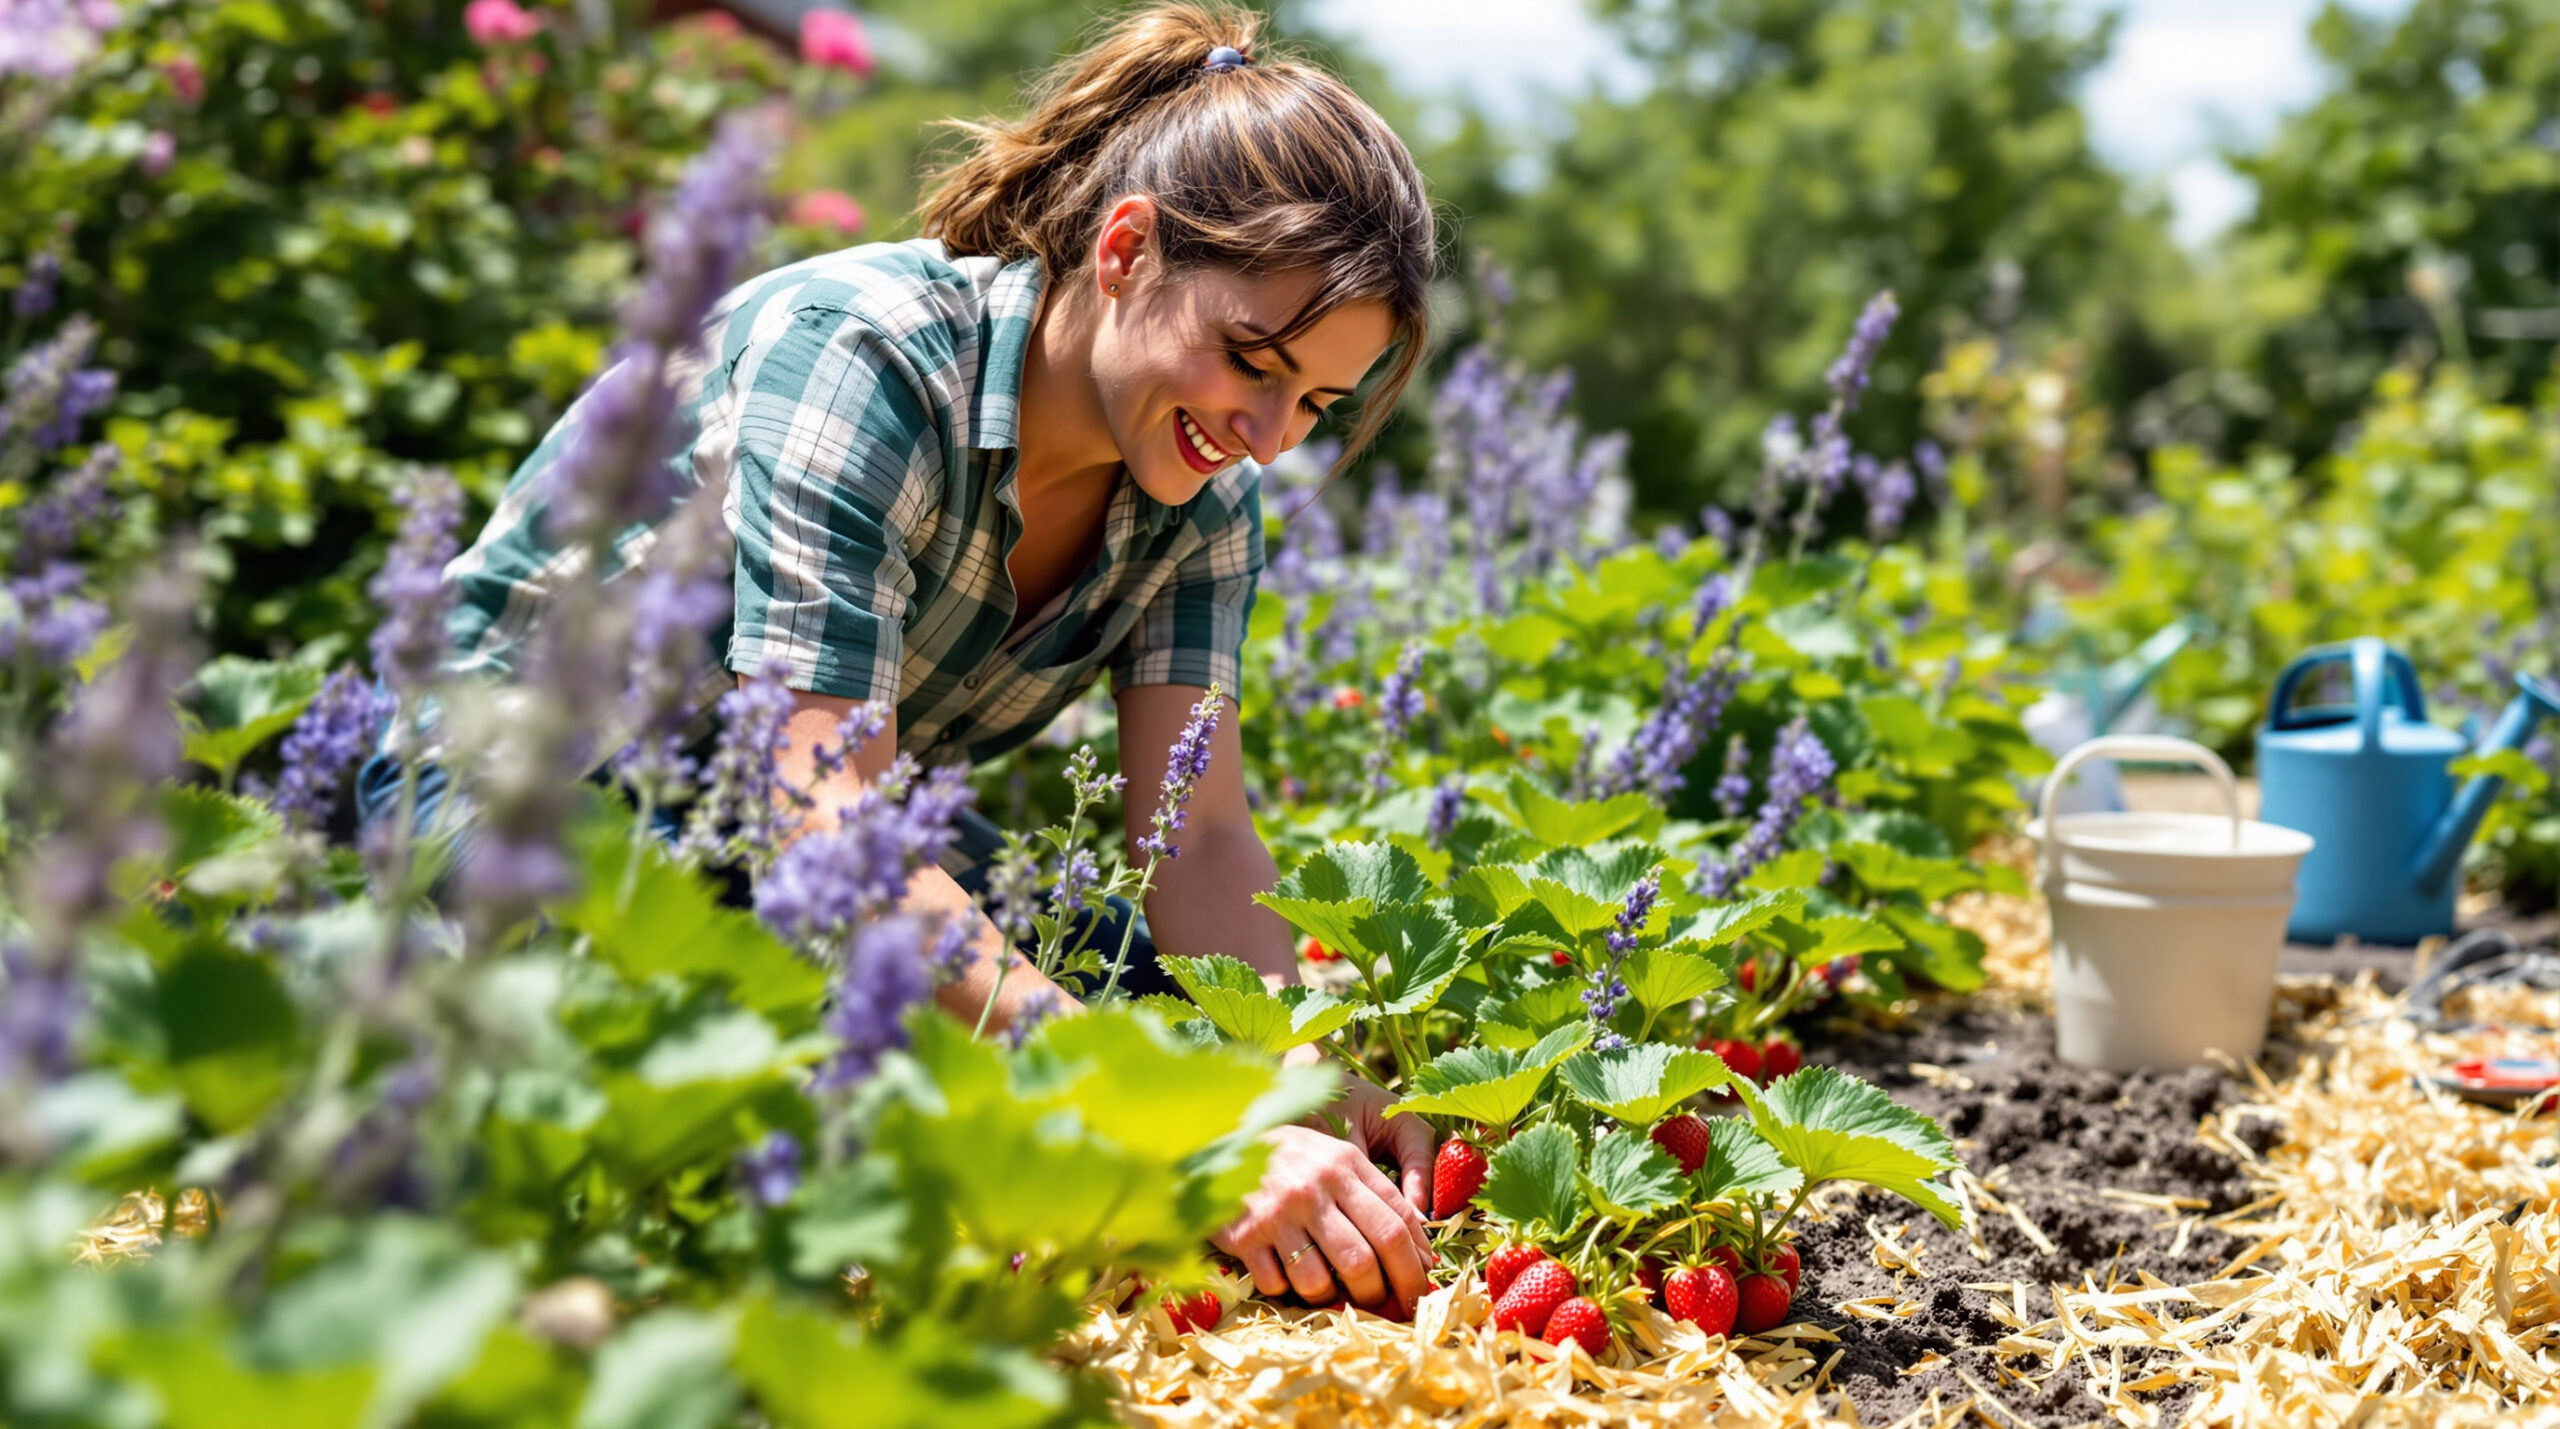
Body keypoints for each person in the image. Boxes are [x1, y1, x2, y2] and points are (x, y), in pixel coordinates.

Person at [361, 4, 1442, 1313]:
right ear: (1123, 251)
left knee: (1141, 991)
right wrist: (1162, 1115)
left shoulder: (1204, 499)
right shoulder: (863, 358)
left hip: (770, 849)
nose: (1267, 434)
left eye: (1314, 404)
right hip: (529, 805)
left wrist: (1302, 1077)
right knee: (867, 1062)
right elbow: (820, 816)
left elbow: (1199, 841)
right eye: (1248, 361)